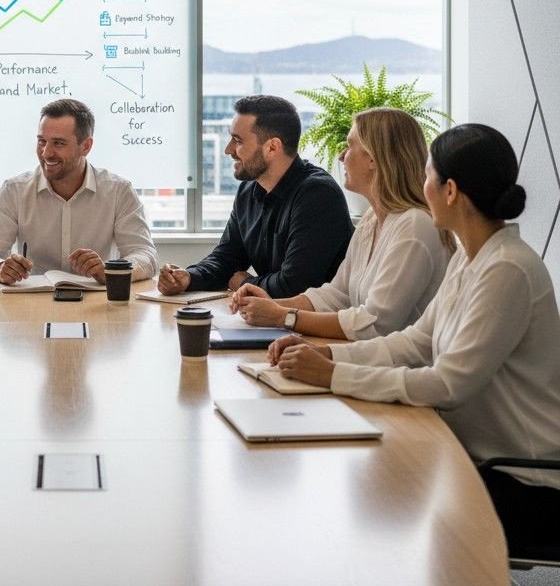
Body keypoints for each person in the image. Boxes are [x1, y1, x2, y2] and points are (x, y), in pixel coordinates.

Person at [268, 123, 560, 556]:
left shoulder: (507, 270)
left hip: (521, 481)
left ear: (450, 191)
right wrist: (324, 354)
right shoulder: (470, 256)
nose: (421, 188)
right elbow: (413, 342)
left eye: (428, 176)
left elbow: (447, 385)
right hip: (472, 458)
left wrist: (334, 375)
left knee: (373, 500)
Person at [229, 108, 453, 339]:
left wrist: (284, 316)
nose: (341, 155)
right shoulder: (372, 220)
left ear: (374, 158)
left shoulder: (415, 226)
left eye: (350, 146)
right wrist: (273, 306)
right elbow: (338, 295)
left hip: (403, 367)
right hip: (373, 359)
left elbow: (376, 324)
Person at [158, 95, 352, 297]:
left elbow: (296, 285)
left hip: (316, 323)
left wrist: (245, 283)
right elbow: (227, 257)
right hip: (274, 321)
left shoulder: (318, 195)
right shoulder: (249, 189)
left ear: (272, 147)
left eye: (237, 141)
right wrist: (189, 277)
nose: (228, 150)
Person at [0, 98, 159, 285]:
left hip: (98, 305)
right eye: (42, 141)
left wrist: (111, 271)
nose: (46, 153)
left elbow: (146, 256)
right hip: (32, 305)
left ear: (86, 146)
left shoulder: (119, 191)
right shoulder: (14, 190)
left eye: (58, 143)